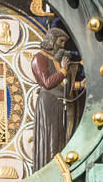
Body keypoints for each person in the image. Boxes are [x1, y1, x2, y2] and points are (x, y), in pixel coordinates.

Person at [31, 26, 84, 171]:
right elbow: (47, 82)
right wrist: (64, 69)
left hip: (58, 104)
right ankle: (46, 170)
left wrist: (80, 85)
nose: (62, 45)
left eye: (64, 43)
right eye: (60, 41)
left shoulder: (54, 60)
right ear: (52, 40)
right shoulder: (39, 58)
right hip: (48, 103)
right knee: (50, 139)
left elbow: (61, 84)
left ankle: (55, 169)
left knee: (58, 140)